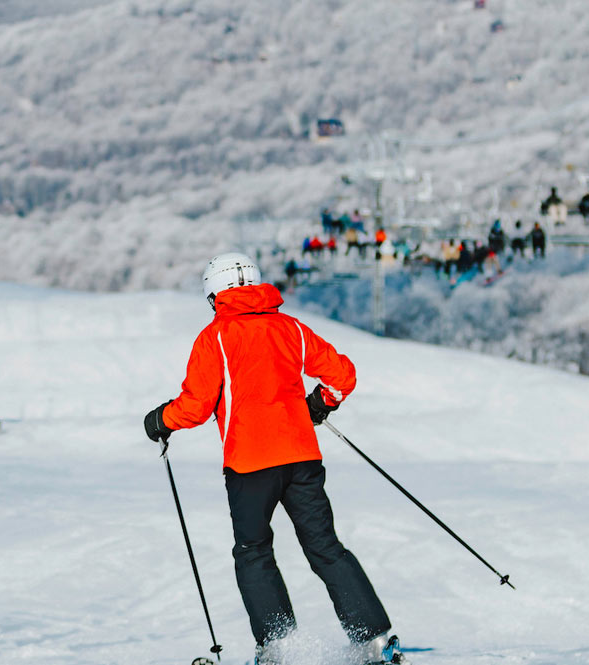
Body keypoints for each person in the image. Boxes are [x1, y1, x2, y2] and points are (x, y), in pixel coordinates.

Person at [142, 254, 398, 664]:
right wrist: (321, 403)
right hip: (302, 458)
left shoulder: (217, 337)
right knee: (326, 548)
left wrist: (160, 420)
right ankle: (375, 642)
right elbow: (342, 376)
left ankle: (280, 649)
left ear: (217, 294)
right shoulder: (291, 328)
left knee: (254, 552)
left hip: (249, 464)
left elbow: (196, 405)